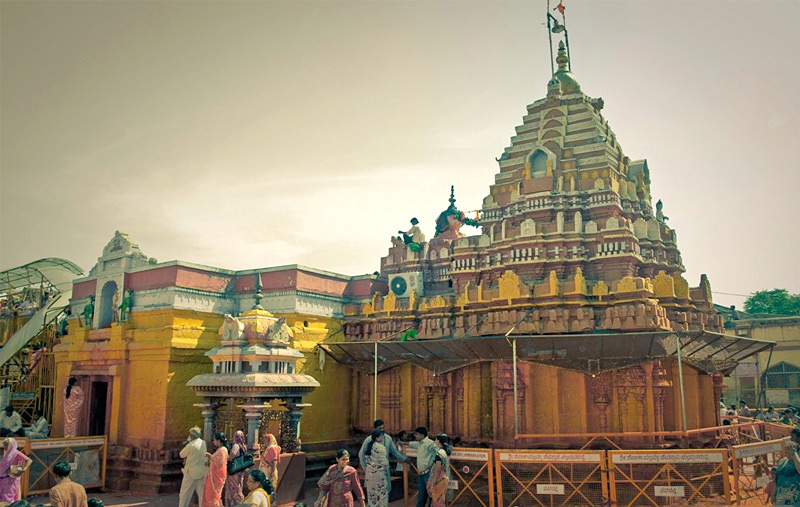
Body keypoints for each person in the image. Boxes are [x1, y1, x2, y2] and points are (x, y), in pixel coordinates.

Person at [358, 420, 408, 497]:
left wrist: (404, 459)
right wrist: (365, 469)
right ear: (375, 429)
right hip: (373, 472)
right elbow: (361, 454)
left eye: (383, 427)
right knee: (374, 495)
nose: (382, 430)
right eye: (379, 428)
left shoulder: (388, 438)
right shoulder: (369, 440)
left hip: (384, 471)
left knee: (386, 491)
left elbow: (394, 451)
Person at [407, 427, 438, 507]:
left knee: (430, 497)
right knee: (421, 497)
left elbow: (438, 452)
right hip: (421, 474)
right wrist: (403, 443)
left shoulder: (430, 443)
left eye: (416, 435)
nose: (415, 436)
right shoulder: (419, 443)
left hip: (428, 473)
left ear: (422, 435)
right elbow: (411, 444)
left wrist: (431, 463)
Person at [179, 427, 208, 507]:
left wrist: (187, 442)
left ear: (192, 436)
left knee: (184, 493)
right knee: (201, 494)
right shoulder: (203, 442)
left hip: (191, 472)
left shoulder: (191, 445)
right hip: (202, 472)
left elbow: (181, 454)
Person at [0, 438, 32, 503]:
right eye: (4, 444)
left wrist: (24, 469)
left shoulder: (16, 453)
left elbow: (29, 460)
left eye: (6, 444)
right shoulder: (6, 453)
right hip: (3, 478)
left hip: (11, 479)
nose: (5, 446)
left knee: (8, 497)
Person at [363, 429, 389, 507]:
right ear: (377, 438)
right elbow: (384, 463)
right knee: (382, 495)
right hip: (379, 475)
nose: (382, 438)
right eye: (381, 436)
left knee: (372, 495)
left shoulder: (369, 445)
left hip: (370, 474)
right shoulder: (381, 448)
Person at [774, 428, 800, 505]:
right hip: (781, 501)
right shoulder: (783, 461)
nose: (790, 440)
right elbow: (777, 478)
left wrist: (794, 453)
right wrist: (774, 493)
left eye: (793, 438)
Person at [203, 432, 229, 507]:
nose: (213, 442)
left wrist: (210, 456)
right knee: (211, 494)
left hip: (218, 476)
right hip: (214, 474)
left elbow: (220, 462)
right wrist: (210, 462)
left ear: (218, 440)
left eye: (214, 440)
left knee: (214, 495)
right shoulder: (220, 449)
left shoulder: (223, 450)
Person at [426, 434, 452, 507]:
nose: (435, 441)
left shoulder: (439, 453)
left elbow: (437, 469)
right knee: (440, 500)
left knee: (436, 501)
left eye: (436, 439)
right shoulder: (446, 452)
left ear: (438, 441)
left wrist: (433, 483)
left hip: (439, 479)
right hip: (444, 477)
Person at [224, 430, 248, 507]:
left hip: (234, 470)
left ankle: (235, 504)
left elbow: (232, 456)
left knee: (233, 488)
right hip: (240, 470)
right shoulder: (244, 446)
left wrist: (224, 457)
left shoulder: (236, 446)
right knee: (238, 486)